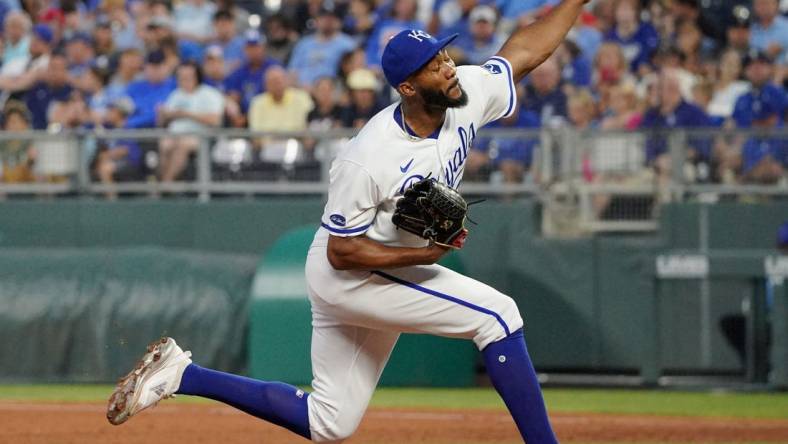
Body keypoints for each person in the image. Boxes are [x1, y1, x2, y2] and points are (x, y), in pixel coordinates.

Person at [107, 0, 590, 442]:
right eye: (435, 66)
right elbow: (343, 251)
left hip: (377, 266)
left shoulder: (465, 92)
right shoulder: (369, 156)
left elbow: (523, 52)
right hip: (354, 272)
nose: (448, 68)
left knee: (329, 423)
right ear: (407, 87)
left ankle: (182, 374)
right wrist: (424, 255)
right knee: (499, 316)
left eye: (445, 57)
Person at [157, 61, 224, 182]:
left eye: (187, 77)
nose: (183, 80)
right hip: (175, 134)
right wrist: (163, 115)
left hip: (202, 136)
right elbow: (162, 123)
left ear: (197, 76)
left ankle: (166, 183)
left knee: (183, 144)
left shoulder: (210, 94)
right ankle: (166, 183)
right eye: (180, 77)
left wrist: (187, 114)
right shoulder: (176, 95)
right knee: (165, 144)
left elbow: (215, 120)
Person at [287, 2, 356, 87]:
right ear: (316, 20)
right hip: (302, 92)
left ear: (339, 21)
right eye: (323, 17)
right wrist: (301, 87)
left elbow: (353, 73)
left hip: (334, 92)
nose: (328, 21)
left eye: (332, 18)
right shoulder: (304, 43)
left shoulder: (348, 44)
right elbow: (292, 72)